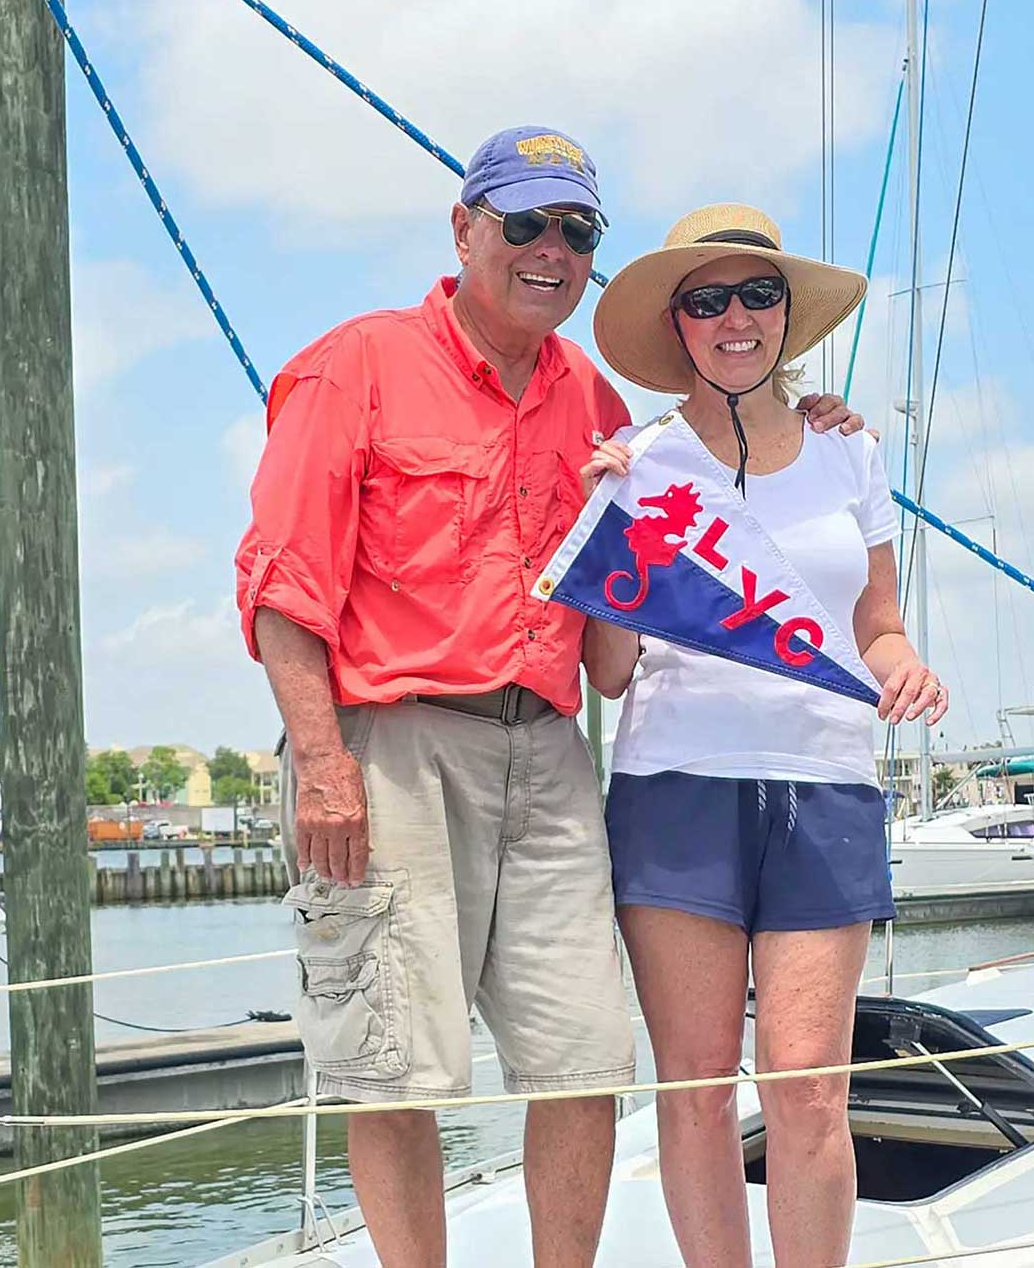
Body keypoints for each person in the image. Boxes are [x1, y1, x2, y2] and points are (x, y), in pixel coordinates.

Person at [235, 134, 863, 1268]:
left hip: (552, 745)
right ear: (464, 226)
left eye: (576, 232)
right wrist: (323, 763)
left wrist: (805, 418)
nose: (551, 250)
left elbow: (714, 477)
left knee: (585, 1061)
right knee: (396, 1066)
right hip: (393, 746)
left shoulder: (594, 399)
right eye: (524, 223)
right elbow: (283, 585)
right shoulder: (356, 365)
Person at [580, 203, 948, 1267]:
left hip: (826, 787)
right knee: (694, 1094)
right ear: (676, 325)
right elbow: (606, 671)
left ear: (787, 314)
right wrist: (615, 542)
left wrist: (905, 665)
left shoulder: (852, 451)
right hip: (676, 786)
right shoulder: (640, 463)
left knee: (809, 1090)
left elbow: (876, 625)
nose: (734, 316)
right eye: (707, 300)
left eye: (758, 293)